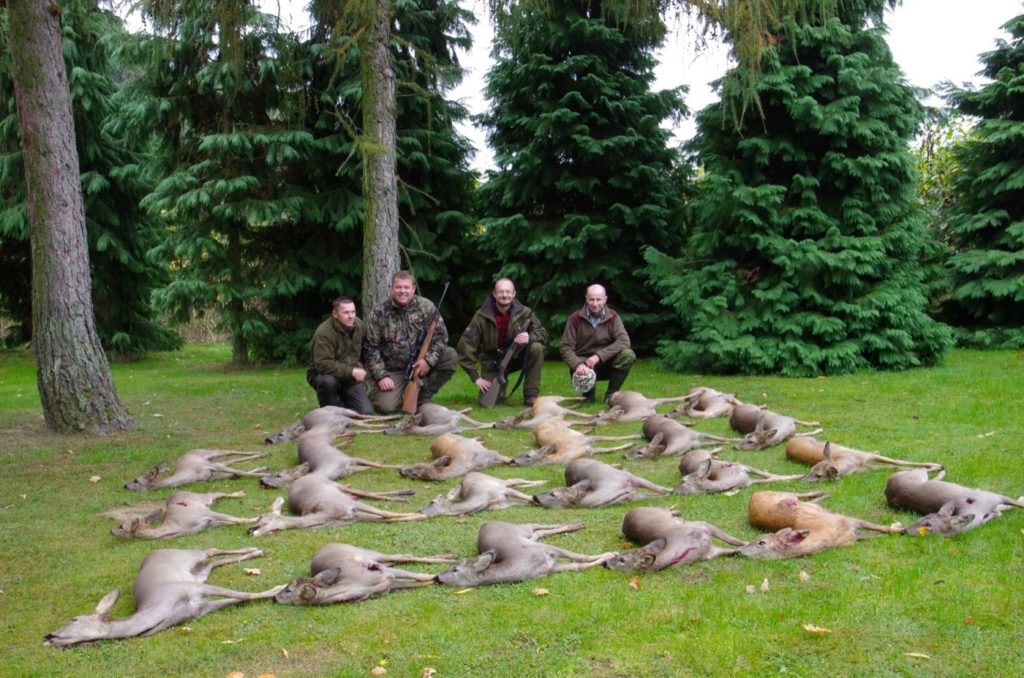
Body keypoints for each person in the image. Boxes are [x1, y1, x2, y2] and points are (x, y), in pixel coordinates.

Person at [363, 270, 458, 413]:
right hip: (393, 369)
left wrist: (428, 361)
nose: (402, 291)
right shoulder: (379, 313)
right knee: (386, 407)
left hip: (421, 363)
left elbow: (441, 337)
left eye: (406, 287)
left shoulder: (426, 307)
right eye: (398, 287)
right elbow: (370, 348)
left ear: (413, 288)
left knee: (450, 355)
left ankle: (423, 396)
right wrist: (381, 376)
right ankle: (405, 396)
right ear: (392, 288)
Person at [457, 278, 548, 406]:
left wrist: (530, 337)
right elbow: (465, 345)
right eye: (500, 292)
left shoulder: (525, 312)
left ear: (514, 294)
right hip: (493, 362)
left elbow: (543, 334)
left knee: (536, 348)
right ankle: (500, 387)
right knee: (487, 403)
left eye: (508, 291)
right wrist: (476, 378)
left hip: (517, 356)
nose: (504, 295)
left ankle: (531, 396)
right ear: (494, 294)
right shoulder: (481, 315)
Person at [559, 283, 636, 403]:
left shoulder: (613, 316)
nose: (595, 304)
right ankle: (588, 397)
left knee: (628, 354)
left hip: (607, 362)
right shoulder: (575, 319)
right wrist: (577, 364)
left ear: (605, 299)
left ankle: (611, 395)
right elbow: (565, 347)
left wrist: (599, 356)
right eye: (591, 299)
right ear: (586, 299)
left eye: (598, 299)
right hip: (584, 365)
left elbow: (624, 340)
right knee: (588, 401)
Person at [306, 296, 373, 415]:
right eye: (346, 312)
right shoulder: (324, 332)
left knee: (366, 412)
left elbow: (365, 349)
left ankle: (340, 403)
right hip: (324, 374)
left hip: (348, 377)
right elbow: (322, 364)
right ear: (335, 314)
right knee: (328, 382)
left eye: (353, 312)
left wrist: (363, 366)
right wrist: (352, 371)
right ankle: (327, 411)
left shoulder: (359, 326)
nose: (351, 316)